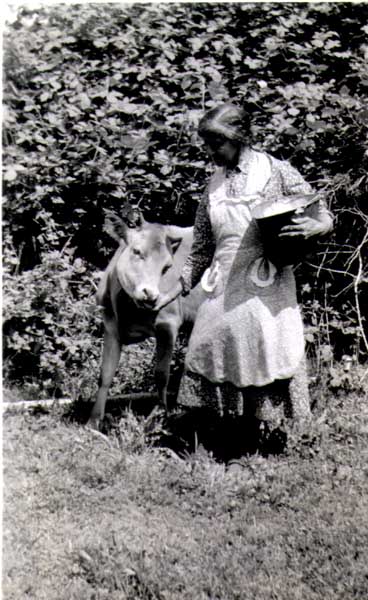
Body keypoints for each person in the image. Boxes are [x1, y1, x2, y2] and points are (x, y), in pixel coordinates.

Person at [157, 103, 333, 436]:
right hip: (223, 282)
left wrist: (315, 228)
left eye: (217, 144)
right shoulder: (214, 186)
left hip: (266, 282)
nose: (211, 152)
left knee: (262, 352)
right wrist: (172, 290)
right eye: (207, 145)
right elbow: (201, 250)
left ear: (240, 137)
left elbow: (321, 213)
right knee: (207, 347)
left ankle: (260, 436)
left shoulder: (275, 170)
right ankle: (221, 433)